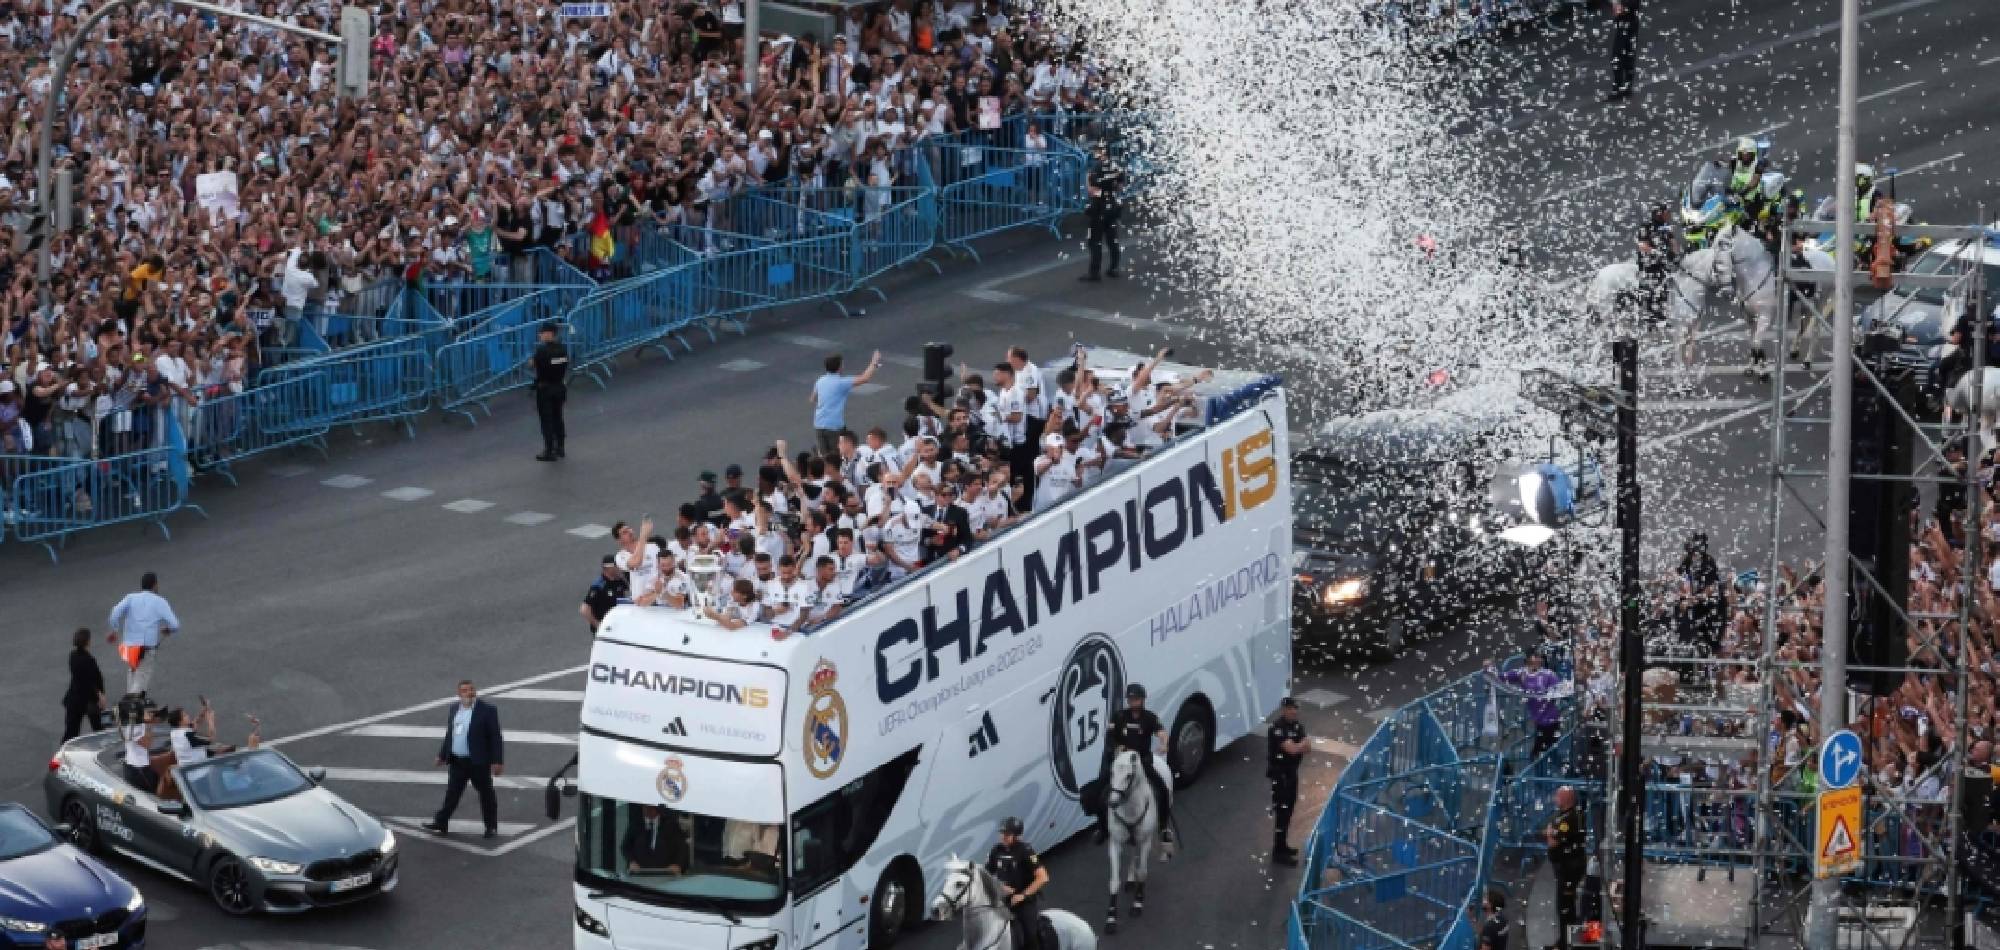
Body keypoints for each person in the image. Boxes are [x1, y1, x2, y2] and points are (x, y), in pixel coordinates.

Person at [1096, 683, 1174, 845]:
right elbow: (1110, 736)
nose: (1133, 702)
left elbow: (1161, 732)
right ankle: (1103, 830)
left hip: (1142, 762)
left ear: (1143, 700)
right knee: (1101, 794)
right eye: (1131, 699)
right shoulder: (1119, 717)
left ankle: (1163, 828)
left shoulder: (1149, 718)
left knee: (1162, 790)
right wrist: (1118, 747)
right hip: (1122, 764)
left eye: (1136, 699)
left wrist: (1164, 743)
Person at [425, 680, 505, 838]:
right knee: (452, 793)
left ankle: (491, 826)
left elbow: (495, 737)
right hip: (457, 761)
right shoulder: (455, 708)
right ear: (459, 694)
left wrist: (498, 761)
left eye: (471, 689)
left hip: (477, 762)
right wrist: (442, 755)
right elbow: (451, 734)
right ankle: (441, 822)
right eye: (465, 690)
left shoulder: (487, 710)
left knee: (486, 794)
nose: (469, 692)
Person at [107, 572, 180, 697]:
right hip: (145, 647)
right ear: (155, 585)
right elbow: (175, 624)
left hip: (129, 648)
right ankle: (130, 704)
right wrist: (168, 630)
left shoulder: (130, 598)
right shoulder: (159, 601)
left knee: (133, 674)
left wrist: (114, 630)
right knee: (141, 678)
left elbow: (115, 613)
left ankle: (132, 708)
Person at [986, 816, 1049, 950]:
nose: (1003, 837)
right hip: (1003, 901)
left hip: (1023, 902)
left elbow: (1043, 877)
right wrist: (998, 886)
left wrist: (1023, 895)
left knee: (1030, 935)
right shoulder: (996, 851)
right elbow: (987, 874)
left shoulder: (1025, 851)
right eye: (1002, 833)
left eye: (1007, 834)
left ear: (1016, 836)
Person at [812, 351, 882, 458]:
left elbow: (813, 398)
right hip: (834, 426)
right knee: (838, 458)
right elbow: (864, 378)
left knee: (825, 458)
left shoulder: (820, 380)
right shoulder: (841, 383)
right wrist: (874, 363)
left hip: (819, 424)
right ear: (839, 367)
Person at [1545, 785, 1589, 950]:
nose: (1555, 799)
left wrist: (1550, 833)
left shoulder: (1570, 818)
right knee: (1566, 905)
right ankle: (1565, 939)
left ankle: (1565, 943)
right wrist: (1550, 832)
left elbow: (1553, 841)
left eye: (1558, 796)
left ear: (1566, 799)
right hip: (1567, 867)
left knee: (1564, 906)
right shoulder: (1567, 815)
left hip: (1569, 869)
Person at [1267, 696, 1308, 866]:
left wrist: (1298, 746)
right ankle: (1278, 852)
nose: (1294, 711)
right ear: (1284, 710)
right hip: (1280, 776)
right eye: (1290, 708)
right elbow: (1292, 750)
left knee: (1289, 811)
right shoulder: (1277, 728)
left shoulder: (1297, 726)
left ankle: (1283, 846)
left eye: (1295, 708)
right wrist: (1299, 746)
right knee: (1282, 813)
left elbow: (1309, 747)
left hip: (1291, 774)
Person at [1079, 154, 1123, 282]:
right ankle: (1114, 268)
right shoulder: (1115, 168)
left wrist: (1088, 181)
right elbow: (1120, 187)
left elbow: (1093, 191)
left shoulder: (1096, 170)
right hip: (1112, 208)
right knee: (1112, 239)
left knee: (1095, 241)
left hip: (1099, 209)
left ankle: (1094, 272)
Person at [62, 627, 106, 744]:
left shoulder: (73, 656)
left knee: (71, 732)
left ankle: (62, 756)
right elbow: (93, 680)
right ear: (87, 641)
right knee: (99, 730)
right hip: (88, 700)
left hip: (74, 699)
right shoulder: (89, 660)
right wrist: (99, 696)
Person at [533, 322, 569, 461]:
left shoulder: (542, 351)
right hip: (559, 386)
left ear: (549, 334)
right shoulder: (563, 350)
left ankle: (549, 450)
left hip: (545, 388)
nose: (540, 335)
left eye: (542, 332)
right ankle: (560, 447)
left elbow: (536, 366)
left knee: (547, 420)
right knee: (558, 418)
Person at [622, 804, 691, 875]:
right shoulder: (636, 824)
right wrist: (632, 862)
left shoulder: (670, 824)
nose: (648, 809)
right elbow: (625, 847)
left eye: (651, 807)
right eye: (645, 807)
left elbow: (683, 848)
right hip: (640, 873)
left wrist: (677, 864)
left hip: (665, 874)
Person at [581, 554, 631, 634]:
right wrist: (599, 625)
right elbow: (584, 610)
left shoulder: (620, 580)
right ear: (609, 568)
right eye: (616, 566)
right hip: (605, 631)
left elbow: (631, 590)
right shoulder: (598, 586)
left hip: (619, 625)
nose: (619, 568)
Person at [1607, 0, 1639, 101]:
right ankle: (1624, 87)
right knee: (1625, 56)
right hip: (1625, 23)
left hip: (1629, 23)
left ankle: (1621, 88)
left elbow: (1633, 5)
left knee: (1621, 56)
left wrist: (1621, 6)